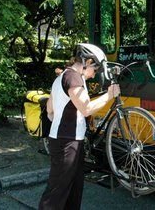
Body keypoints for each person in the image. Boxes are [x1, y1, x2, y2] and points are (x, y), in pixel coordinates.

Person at [39, 43, 120, 210]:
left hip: (66, 141)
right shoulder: (74, 78)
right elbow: (86, 108)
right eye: (95, 69)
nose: (94, 74)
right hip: (66, 142)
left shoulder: (62, 77)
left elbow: (49, 110)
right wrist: (109, 95)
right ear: (87, 61)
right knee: (57, 193)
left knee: (72, 191)